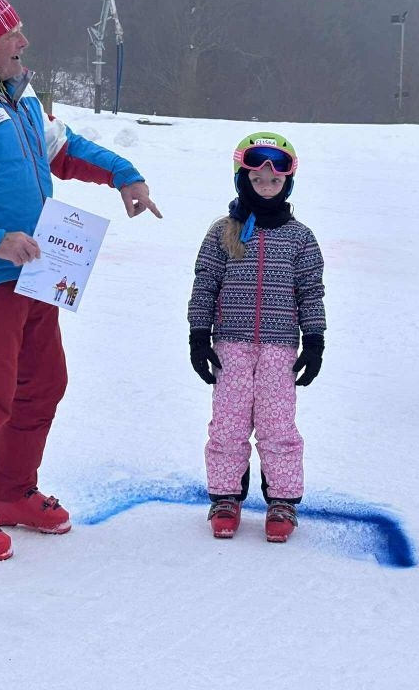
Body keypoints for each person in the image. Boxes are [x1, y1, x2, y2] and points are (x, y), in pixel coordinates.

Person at [0, 0, 161, 561]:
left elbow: (58, 149)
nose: (23, 40)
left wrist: (124, 174)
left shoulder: (14, 89)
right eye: (9, 34)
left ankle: (9, 493)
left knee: (43, 382)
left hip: (37, 269)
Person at [187, 132, 326, 543]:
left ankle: (282, 500)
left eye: (275, 182)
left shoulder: (300, 237)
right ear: (242, 180)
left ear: (287, 184)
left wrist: (314, 341)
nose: (266, 188)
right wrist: (198, 337)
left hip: (281, 347)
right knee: (227, 425)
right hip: (229, 344)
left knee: (278, 425)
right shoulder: (222, 232)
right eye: (257, 180)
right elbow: (204, 285)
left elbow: (311, 292)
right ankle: (226, 497)